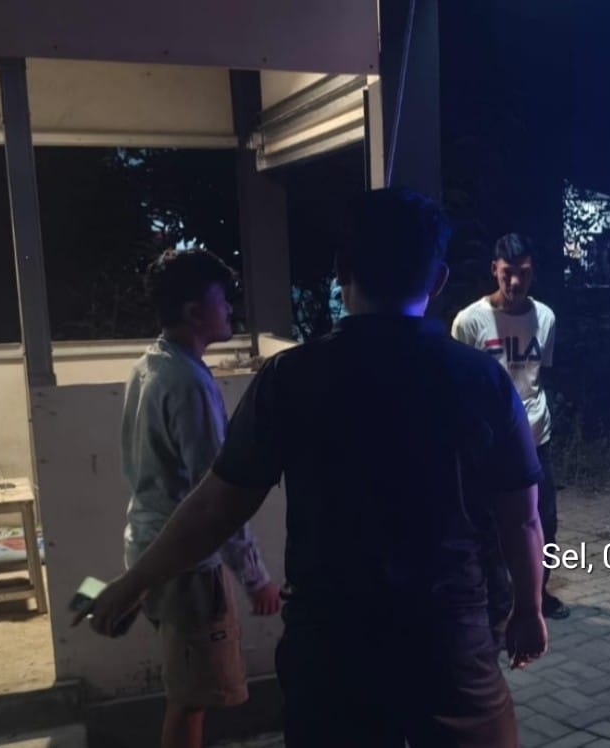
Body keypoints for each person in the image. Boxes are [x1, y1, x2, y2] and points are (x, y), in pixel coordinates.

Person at [83, 188, 548, 747]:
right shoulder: (482, 379)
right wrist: (529, 609)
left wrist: (132, 584)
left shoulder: (290, 378)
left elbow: (214, 508)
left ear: (343, 271)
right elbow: (521, 517)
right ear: (439, 279)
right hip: (449, 636)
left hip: (332, 647)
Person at [120, 249, 281, 748]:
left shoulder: (150, 365)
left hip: (150, 548)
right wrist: (255, 576)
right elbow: (216, 498)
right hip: (188, 568)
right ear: (194, 312)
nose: (230, 308)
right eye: (222, 299)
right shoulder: (189, 383)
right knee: (190, 699)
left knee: (186, 692)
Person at [452, 234, 570, 623]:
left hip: (535, 437)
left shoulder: (545, 318)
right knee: (489, 527)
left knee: (544, 522)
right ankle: (497, 600)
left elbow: (538, 375)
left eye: (523, 273)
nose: (515, 282)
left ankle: (536, 593)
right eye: (507, 273)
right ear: (494, 270)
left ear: (532, 272)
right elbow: (459, 384)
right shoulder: (469, 321)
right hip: (488, 444)